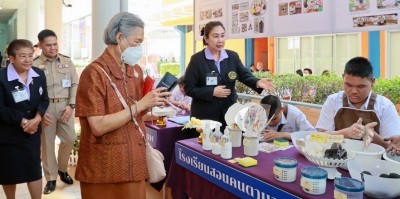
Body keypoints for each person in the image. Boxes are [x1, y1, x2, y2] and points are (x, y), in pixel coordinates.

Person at [74, 12, 170, 199]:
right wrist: (140, 104)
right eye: (136, 42)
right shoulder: (93, 74)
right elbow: (98, 126)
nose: (139, 48)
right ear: (119, 37)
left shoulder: (134, 70)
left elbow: (135, 115)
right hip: (103, 167)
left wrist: (155, 106)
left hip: (133, 161)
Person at [184, 21, 275, 127]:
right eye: (216, 36)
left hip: (229, 114)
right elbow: (188, 88)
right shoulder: (197, 60)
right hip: (205, 116)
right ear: (206, 38)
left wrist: (257, 82)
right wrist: (211, 91)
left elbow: (245, 75)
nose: (220, 40)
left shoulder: (232, 57)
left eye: (222, 36)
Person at [0, 39, 49, 199]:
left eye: (30, 55)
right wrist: (23, 121)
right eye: (23, 56)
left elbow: (44, 100)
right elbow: (1, 108)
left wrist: (37, 118)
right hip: (8, 133)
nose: (28, 60)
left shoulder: (38, 74)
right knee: (8, 172)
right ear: (11, 58)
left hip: (32, 132)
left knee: (34, 169)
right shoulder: (2, 77)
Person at [316, 57, 400, 148]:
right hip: (336, 160)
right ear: (343, 78)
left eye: (360, 86)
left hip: (373, 161)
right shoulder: (333, 101)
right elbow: (319, 137)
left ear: (372, 82)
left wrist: (374, 137)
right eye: (348, 85)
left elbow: (393, 147)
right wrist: (346, 133)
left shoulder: (385, 106)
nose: (354, 91)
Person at [33, 29, 79, 194]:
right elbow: (31, 91)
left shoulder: (67, 61)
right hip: (45, 109)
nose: (53, 48)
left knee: (69, 138)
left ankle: (62, 169)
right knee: (47, 144)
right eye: (48, 45)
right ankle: (51, 178)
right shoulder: (34, 64)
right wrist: (39, 112)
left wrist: (71, 105)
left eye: (55, 44)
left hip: (65, 107)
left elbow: (74, 83)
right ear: (40, 46)